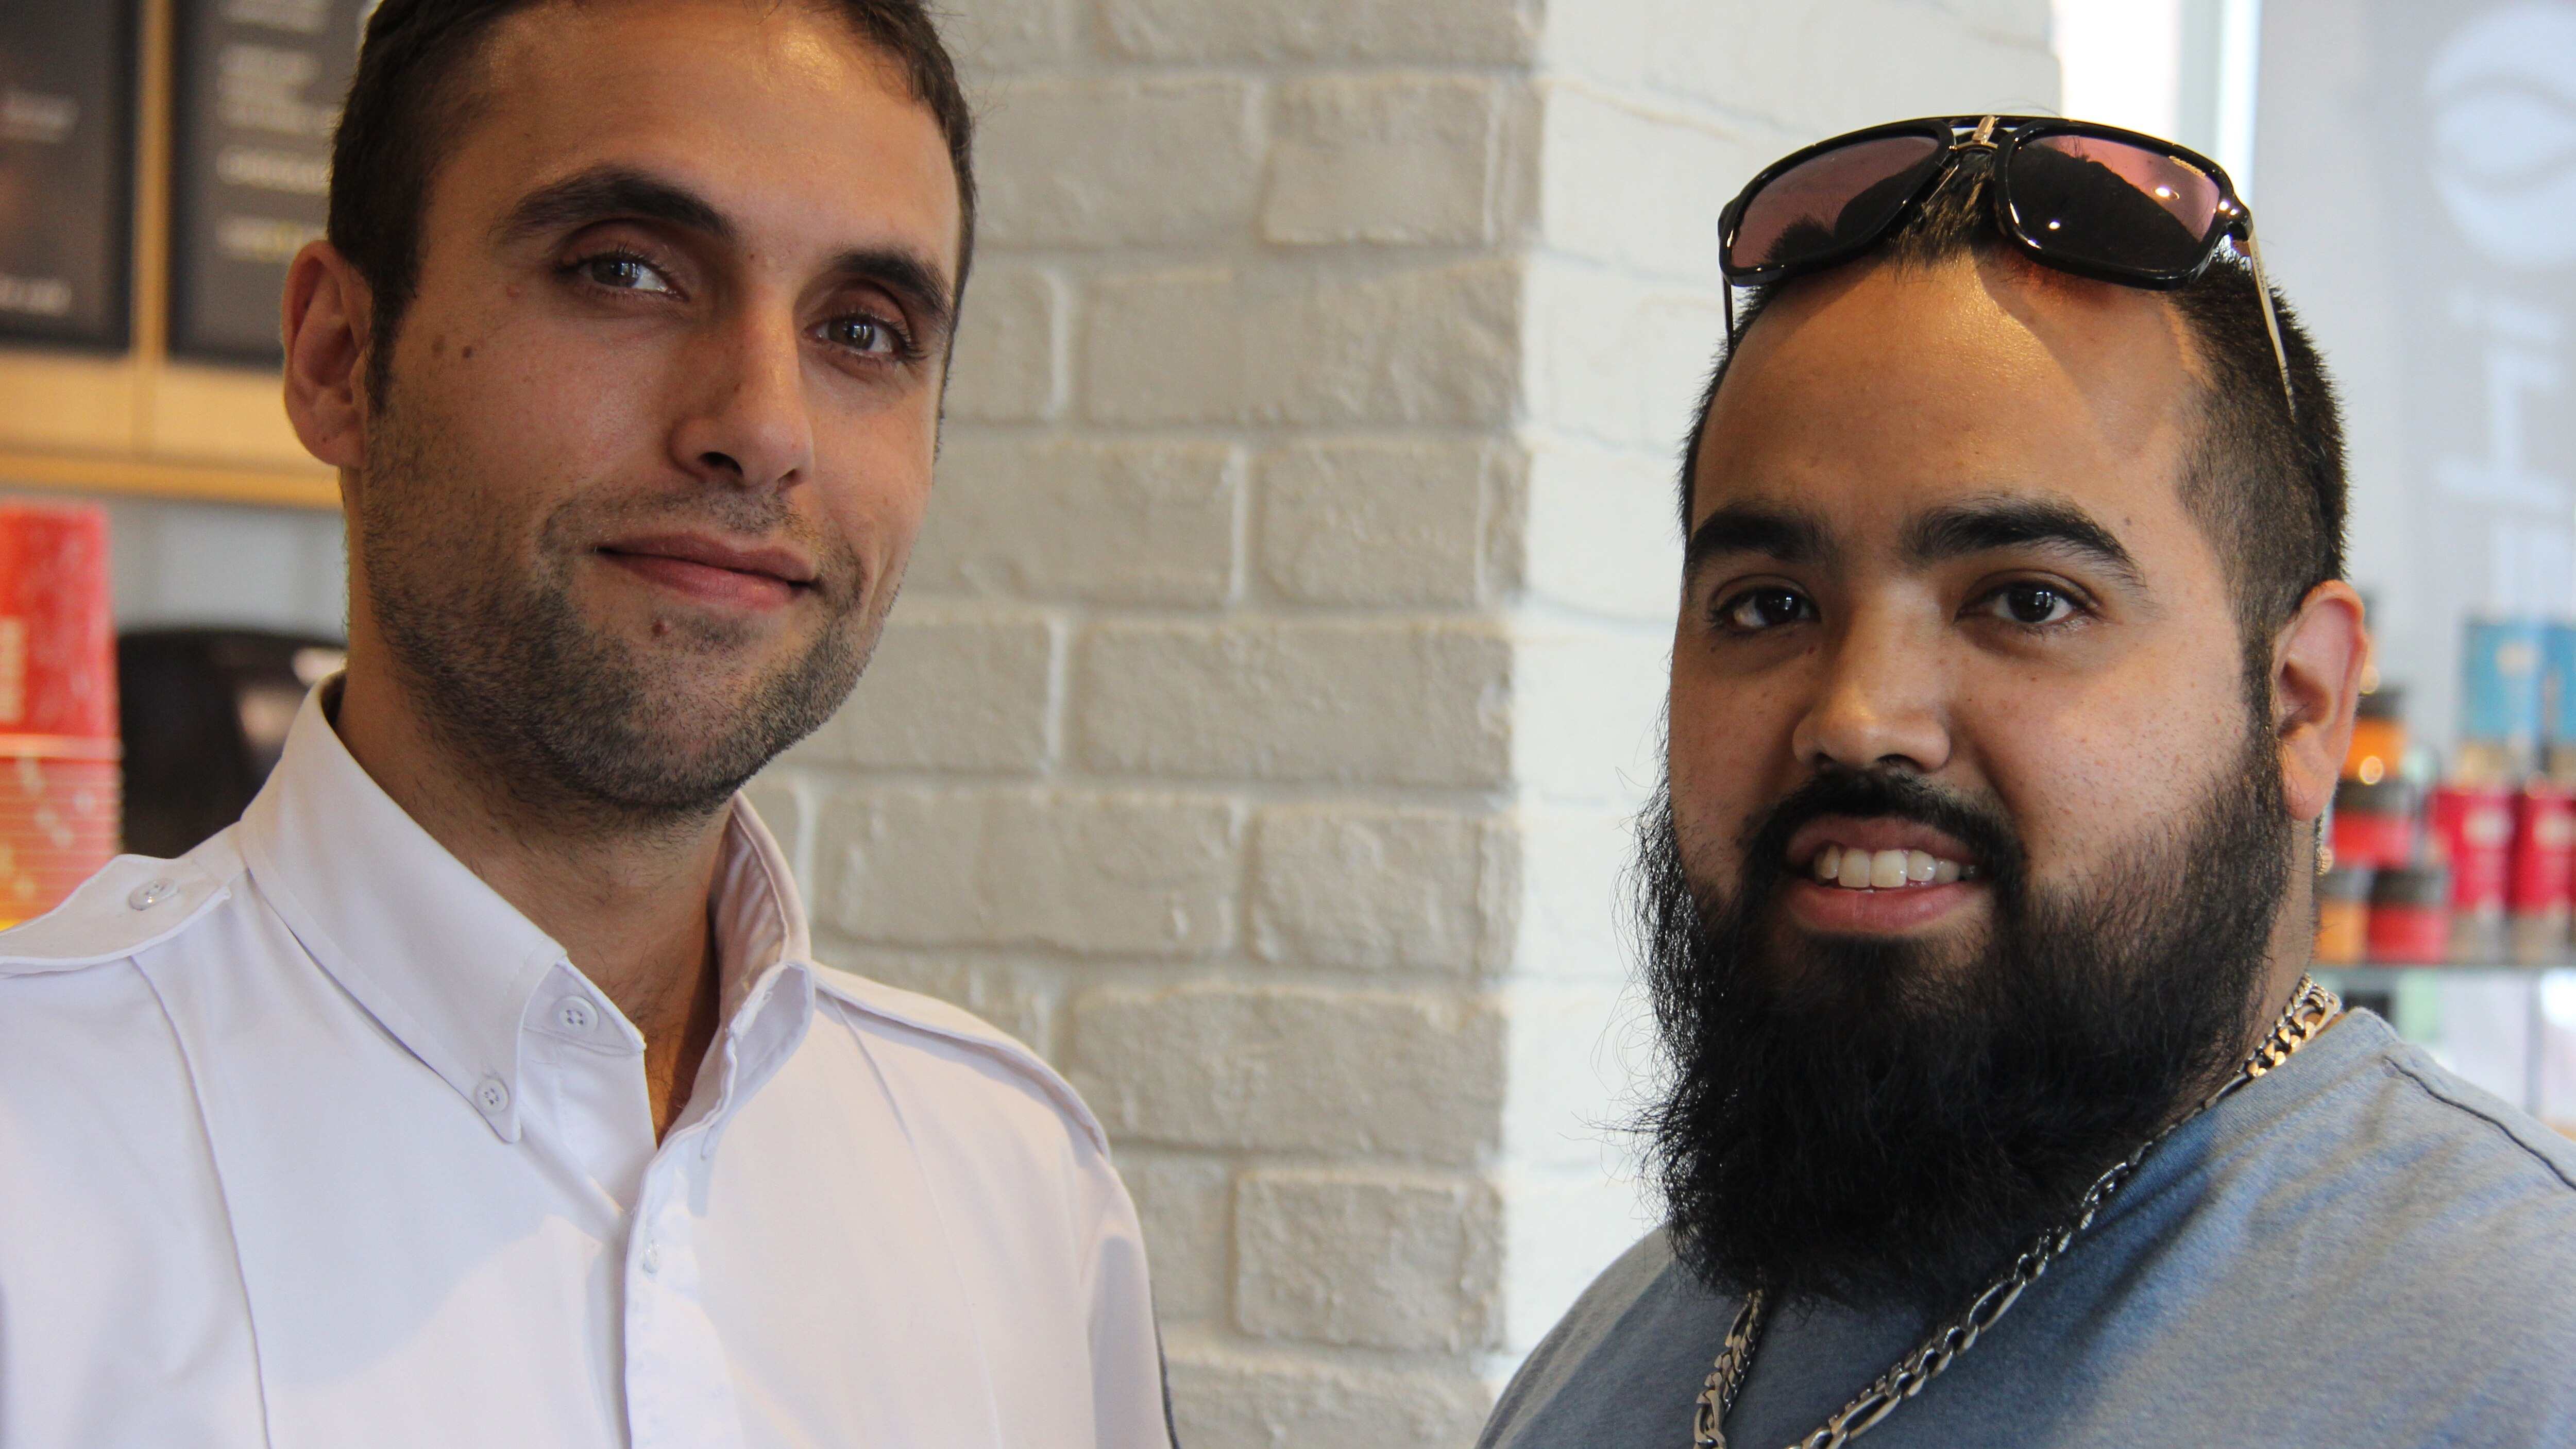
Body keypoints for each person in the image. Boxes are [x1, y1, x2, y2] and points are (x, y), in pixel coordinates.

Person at [0, 3, 1172, 1446]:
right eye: (625, 270)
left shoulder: (1021, 1198)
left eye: (862, 331)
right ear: (338, 358)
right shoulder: (33, 1149)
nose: (765, 426)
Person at [1480, 116, 2576, 1449]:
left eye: (2027, 601)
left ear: (2301, 703)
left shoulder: (2523, 1353)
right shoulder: (1611, 1357)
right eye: (1769, 605)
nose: (1858, 720)